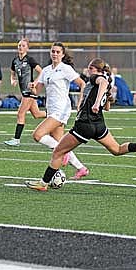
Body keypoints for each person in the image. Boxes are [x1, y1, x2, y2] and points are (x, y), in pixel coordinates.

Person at [25, 58, 136, 191]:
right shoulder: (106, 83)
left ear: (96, 69)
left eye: (90, 68)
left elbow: (102, 82)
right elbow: (108, 107)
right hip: (99, 125)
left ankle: (43, 183)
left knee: (57, 152)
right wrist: (103, 100)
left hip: (85, 124)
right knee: (117, 149)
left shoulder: (97, 78)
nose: (88, 70)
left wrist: (96, 103)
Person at [30, 42, 89, 180]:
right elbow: (36, 92)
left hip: (61, 110)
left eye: (57, 52)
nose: (55, 54)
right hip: (51, 110)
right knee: (60, 143)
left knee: (37, 135)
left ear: (62, 55)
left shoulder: (65, 69)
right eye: (53, 51)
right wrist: (31, 86)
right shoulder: (46, 70)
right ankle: (81, 168)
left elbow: (82, 84)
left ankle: (65, 154)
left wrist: (80, 101)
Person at [4, 38, 46, 146]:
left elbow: (42, 72)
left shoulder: (30, 60)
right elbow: (12, 73)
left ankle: (16, 139)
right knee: (36, 114)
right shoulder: (15, 61)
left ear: (27, 48)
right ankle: (54, 115)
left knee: (20, 113)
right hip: (23, 92)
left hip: (29, 91)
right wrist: (13, 80)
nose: (20, 47)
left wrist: (35, 83)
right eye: (19, 45)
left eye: (23, 46)